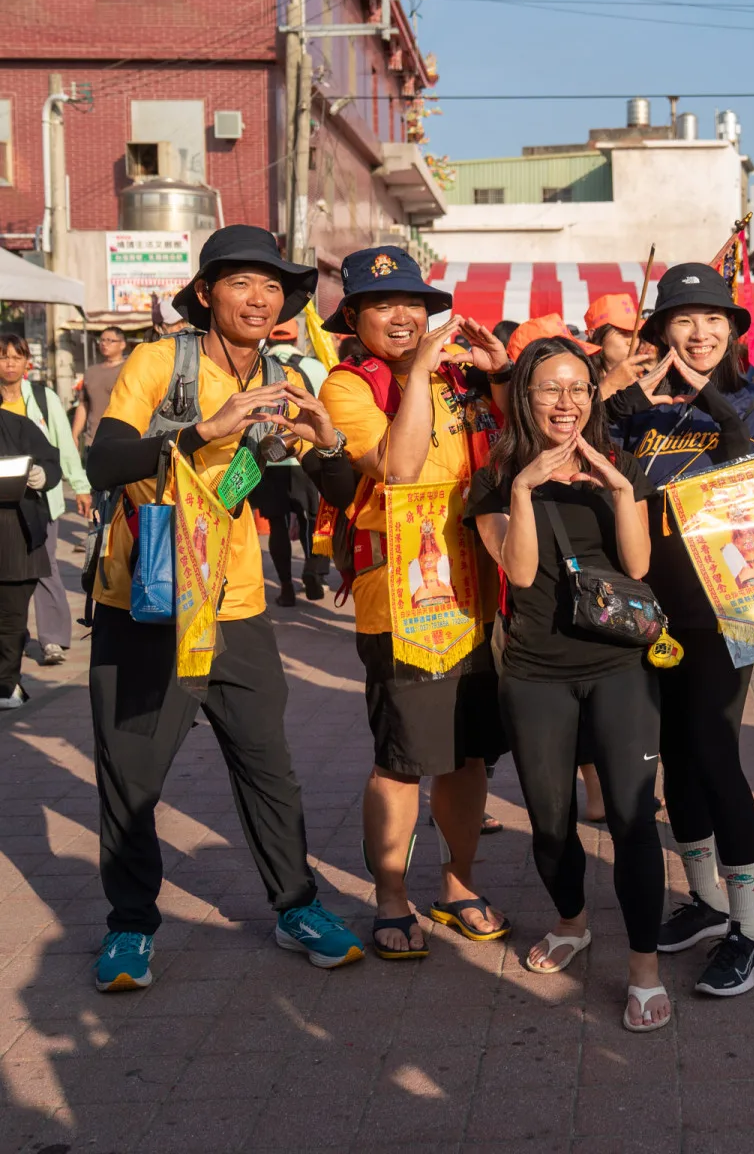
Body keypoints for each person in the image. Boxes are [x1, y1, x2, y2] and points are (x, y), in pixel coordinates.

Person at [85, 224, 364, 992]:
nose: (259, 297)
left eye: (272, 286)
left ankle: (296, 906)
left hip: (235, 608)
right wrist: (204, 429)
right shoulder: (159, 362)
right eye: (241, 282)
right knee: (132, 775)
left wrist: (327, 437)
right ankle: (131, 925)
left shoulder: (284, 378)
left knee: (268, 767)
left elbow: (339, 494)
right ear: (206, 293)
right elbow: (103, 459)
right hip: (147, 602)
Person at [468, 333, 670, 1032]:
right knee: (551, 823)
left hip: (618, 666)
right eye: (550, 388)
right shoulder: (496, 476)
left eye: (578, 387)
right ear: (525, 396)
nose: (566, 401)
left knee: (633, 819)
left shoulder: (619, 462)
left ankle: (643, 966)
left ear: (593, 394)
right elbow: (520, 573)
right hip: (535, 672)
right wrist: (524, 487)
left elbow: (639, 567)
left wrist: (618, 489)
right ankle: (573, 920)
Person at [317, 247, 514, 961]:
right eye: (381, 305)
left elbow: (515, 445)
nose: (401, 317)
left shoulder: (466, 379)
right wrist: (424, 376)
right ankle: (391, 896)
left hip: (480, 590)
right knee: (402, 759)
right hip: (400, 598)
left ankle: (458, 884)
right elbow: (397, 470)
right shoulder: (348, 385)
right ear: (357, 318)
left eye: (412, 303)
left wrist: (502, 377)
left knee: (467, 756)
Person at [605, 263, 754, 996]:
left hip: (721, 611)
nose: (700, 332)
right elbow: (595, 452)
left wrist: (701, 392)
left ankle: (751, 932)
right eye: (683, 320)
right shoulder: (638, 409)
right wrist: (624, 402)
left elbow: (751, 467)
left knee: (714, 756)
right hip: (652, 611)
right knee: (675, 761)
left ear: (735, 330)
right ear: (660, 331)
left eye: (715, 319)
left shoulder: (753, 401)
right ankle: (707, 904)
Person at [0, 334, 88, 667]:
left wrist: (79, 485)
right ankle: (13, 634)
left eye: (15, 357)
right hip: (2, 508)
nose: (9, 363)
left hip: (38, 500)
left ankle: (51, 639)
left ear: (27, 363)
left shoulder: (42, 397)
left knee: (45, 567)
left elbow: (63, 446)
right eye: (3, 357)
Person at [258, 320, 328, 604]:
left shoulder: (257, 366)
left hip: (268, 456)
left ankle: (286, 588)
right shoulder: (313, 367)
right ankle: (312, 568)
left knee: (276, 525)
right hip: (304, 455)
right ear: (297, 339)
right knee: (311, 519)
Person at [0, 397, 62, 707]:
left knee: (10, 619)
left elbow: (51, 460)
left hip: (15, 536)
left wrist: (41, 474)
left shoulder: (18, 426)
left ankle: (6, 684)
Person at [71, 325, 129, 452]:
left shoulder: (129, 369)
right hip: (93, 441)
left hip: (122, 440)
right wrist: (74, 435)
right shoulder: (91, 372)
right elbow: (84, 404)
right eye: (102, 340)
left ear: (122, 344)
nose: (104, 344)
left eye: (110, 340)